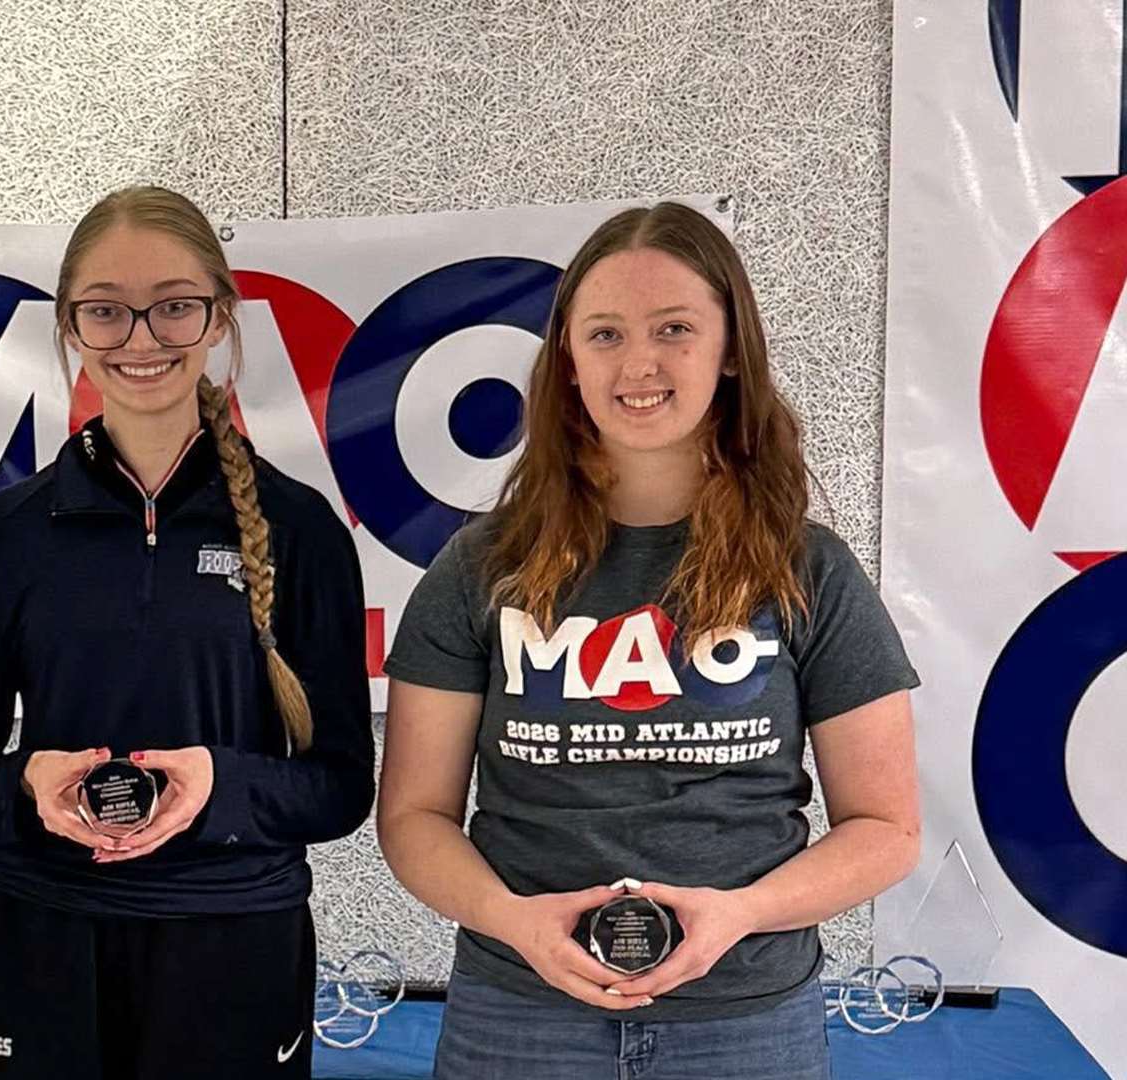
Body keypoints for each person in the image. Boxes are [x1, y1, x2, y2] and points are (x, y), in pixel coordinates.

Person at [378, 201, 920, 1079]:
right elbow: (412, 818)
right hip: (520, 1016)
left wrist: (740, 914)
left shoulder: (806, 567)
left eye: (674, 328)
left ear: (731, 349)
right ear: (568, 360)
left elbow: (887, 828)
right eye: (604, 334)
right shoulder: (480, 566)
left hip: (746, 1021)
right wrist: (516, 921)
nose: (639, 363)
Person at [0, 185, 374, 1079]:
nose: (141, 338)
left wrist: (219, 784)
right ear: (70, 326)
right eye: (107, 312)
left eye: (173, 307)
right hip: (37, 939)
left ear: (219, 319)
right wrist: (27, 785)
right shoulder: (7, 534)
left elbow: (340, 788)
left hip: (231, 945)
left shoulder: (300, 529)